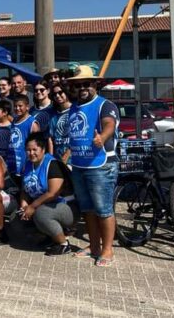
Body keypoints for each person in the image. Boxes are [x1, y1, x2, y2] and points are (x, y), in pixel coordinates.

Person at [67, 65, 119, 267]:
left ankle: (107, 249)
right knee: (87, 209)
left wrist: (103, 137)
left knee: (103, 209)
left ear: (95, 84)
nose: (82, 88)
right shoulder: (74, 107)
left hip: (101, 166)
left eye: (86, 84)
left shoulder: (105, 105)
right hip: (79, 165)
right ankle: (94, 246)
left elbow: (109, 124)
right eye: (78, 85)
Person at [19, 132, 78, 256]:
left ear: (43, 149)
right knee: (16, 219)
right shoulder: (28, 164)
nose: (31, 153)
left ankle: (63, 244)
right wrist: (24, 205)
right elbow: (25, 189)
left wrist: (32, 206)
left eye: (35, 149)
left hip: (66, 206)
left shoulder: (52, 164)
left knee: (41, 214)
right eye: (28, 150)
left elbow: (53, 193)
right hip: (44, 205)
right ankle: (50, 236)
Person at [8, 95, 40, 183]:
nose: (17, 108)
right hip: (13, 163)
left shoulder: (32, 123)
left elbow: (38, 146)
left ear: (27, 107)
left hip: (26, 164)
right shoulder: (14, 121)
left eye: (20, 106)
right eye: (15, 106)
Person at [48, 82, 72, 162]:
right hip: (57, 159)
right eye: (55, 94)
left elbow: (79, 136)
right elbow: (51, 139)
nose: (57, 96)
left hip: (73, 160)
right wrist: (51, 158)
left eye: (60, 92)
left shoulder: (75, 110)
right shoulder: (53, 115)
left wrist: (67, 155)